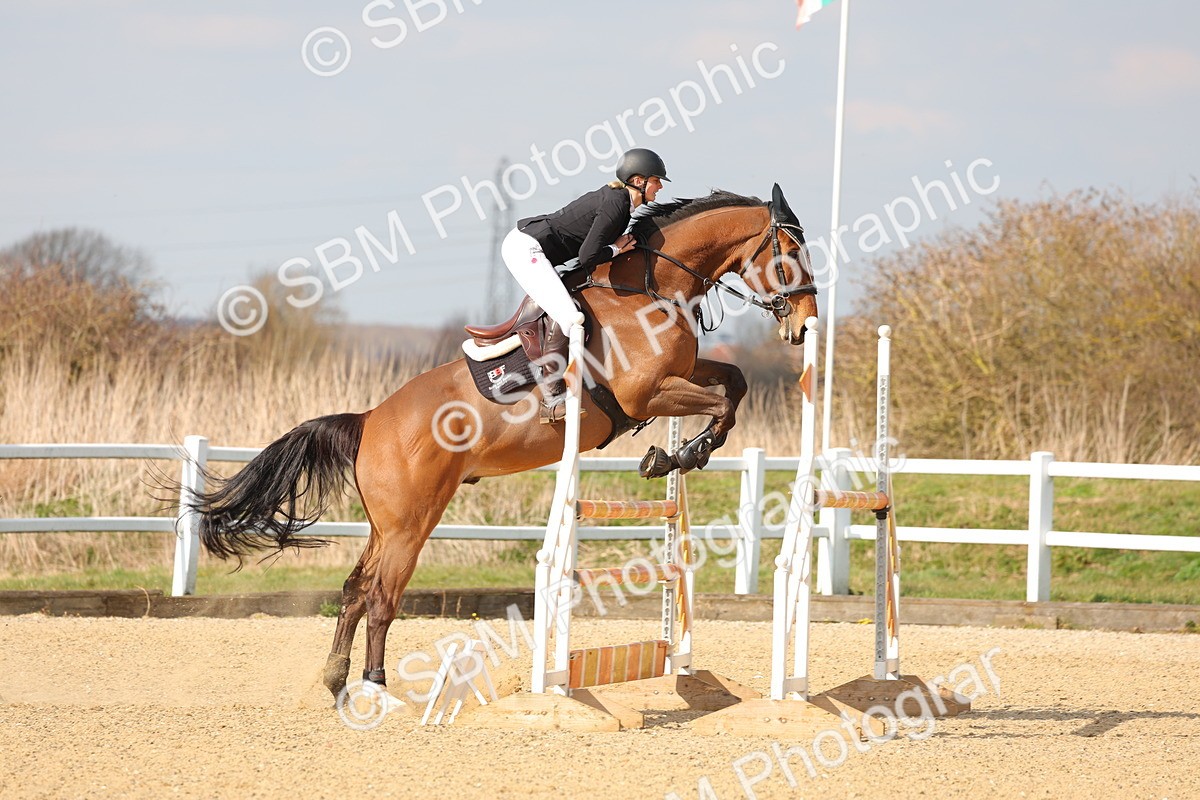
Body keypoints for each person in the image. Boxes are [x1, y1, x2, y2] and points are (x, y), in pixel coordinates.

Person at [501, 147, 670, 423]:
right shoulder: (616, 204)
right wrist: (615, 249)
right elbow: (587, 256)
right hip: (526, 248)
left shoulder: (623, 205)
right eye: (657, 180)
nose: (660, 186)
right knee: (571, 318)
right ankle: (551, 399)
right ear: (638, 181)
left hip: (535, 247)